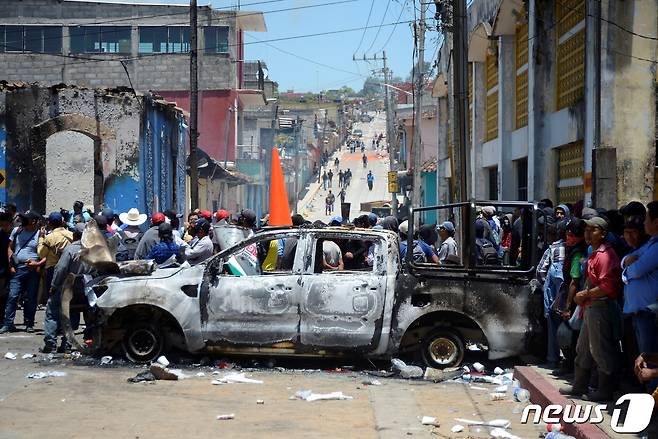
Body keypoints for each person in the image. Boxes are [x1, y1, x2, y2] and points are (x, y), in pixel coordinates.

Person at [560, 216, 622, 402]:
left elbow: (607, 287)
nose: (587, 233)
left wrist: (584, 294)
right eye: (586, 230)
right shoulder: (594, 252)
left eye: (592, 230)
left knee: (600, 349)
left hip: (599, 307)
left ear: (602, 233)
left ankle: (604, 391)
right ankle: (579, 385)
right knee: (583, 348)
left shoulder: (604, 256)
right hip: (590, 307)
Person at [621, 203, 658, 390]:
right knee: (639, 360)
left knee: (649, 363)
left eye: (646, 219)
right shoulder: (651, 243)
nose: (644, 223)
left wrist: (628, 267)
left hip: (648, 312)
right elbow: (626, 261)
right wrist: (627, 264)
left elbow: (638, 269)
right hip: (638, 312)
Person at [41, 223, 92, 353]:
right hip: (85, 289)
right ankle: (67, 344)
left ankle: (50, 343)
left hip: (67, 288)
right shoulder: (91, 250)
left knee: (52, 312)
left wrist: (53, 286)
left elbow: (61, 269)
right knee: (73, 314)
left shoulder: (70, 250)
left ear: (74, 235)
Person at [0, 211, 43, 333]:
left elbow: (45, 254)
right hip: (18, 269)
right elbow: (10, 247)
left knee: (30, 298)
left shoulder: (40, 234)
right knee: (13, 296)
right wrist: (11, 265)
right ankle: (8, 324)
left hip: (32, 270)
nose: (23, 221)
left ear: (33, 221)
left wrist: (38, 264)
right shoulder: (17, 231)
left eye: (26, 219)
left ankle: (29, 323)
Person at [537, 220, 567, 368]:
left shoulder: (552, 249)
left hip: (554, 298)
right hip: (570, 298)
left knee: (553, 327)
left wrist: (546, 286)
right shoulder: (573, 248)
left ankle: (553, 359)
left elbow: (540, 271)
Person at [37, 212, 73, 300]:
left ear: (50, 223)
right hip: (68, 269)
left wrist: (41, 238)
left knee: (53, 298)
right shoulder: (71, 234)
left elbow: (41, 254)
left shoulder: (49, 237)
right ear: (62, 222)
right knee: (67, 298)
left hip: (53, 270)